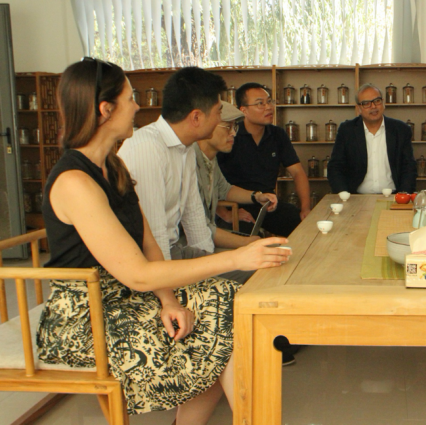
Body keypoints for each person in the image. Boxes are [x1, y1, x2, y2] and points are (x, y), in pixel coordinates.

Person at [36, 58, 290, 424]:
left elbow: (149, 243)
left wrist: (169, 300)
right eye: (130, 98)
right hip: (85, 314)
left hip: (122, 295)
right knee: (221, 315)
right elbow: (139, 274)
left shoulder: (113, 166)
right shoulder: (75, 182)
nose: (138, 106)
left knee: (227, 301)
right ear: (105, 110)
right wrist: (237, 258)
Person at [118, 67, 254, 284]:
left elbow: (194, 217)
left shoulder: (186, 148)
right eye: (219, 112)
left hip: (176, 254)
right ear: (196, 117)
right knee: (240, 286)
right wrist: (169, 295)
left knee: (258, 273)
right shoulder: (147, 147)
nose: (222, 118)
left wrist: (208, 267)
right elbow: (154, 235)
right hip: (150, 268)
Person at [217, 82, 311, 237]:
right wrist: (225, 213)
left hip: (267, 203)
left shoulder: (277, 135)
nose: (268, 107)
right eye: (260, 103)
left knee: (306, 229)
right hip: (236, 206)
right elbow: (209, 183)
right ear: (243, 110)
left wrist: (305, 208)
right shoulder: (230, 136)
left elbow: (298, 173)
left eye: (269, 102)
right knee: (250, 242)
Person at [194, 101, 278, 249]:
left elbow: (226, 190)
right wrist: (246, 243)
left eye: (235, 127)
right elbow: (198, 230)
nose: (233, 133)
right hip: (193, 248)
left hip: (206, 240)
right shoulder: (189, 163)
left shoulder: (211, 160)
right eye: (228, 127)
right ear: (207, 124)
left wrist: (257, 196)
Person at [327, 83, 417, 194]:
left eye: (377, 101)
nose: (373, 106)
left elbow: (409, 167)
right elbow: (335, 167)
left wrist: (404, 195)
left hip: (394, 197)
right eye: (366, 103)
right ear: (359, 108)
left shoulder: (401, 130)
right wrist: (343, 194)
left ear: (383, 102)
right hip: (356, 198)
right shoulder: (347, 131)